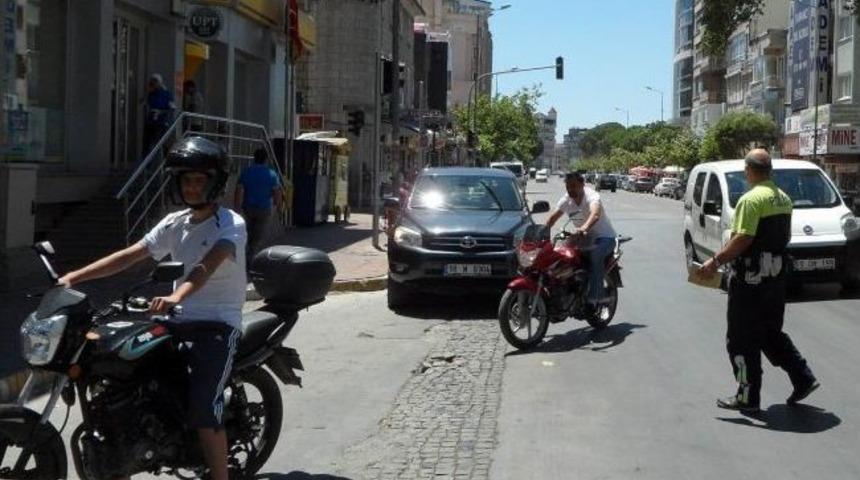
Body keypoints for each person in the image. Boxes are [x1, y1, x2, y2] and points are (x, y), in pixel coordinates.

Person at [58, 136, 245, 480]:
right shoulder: (175, 223)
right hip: (175, 321)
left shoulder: (230, 224)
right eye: (186, 181)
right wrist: (75, 276)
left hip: (216, 325)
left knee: (205, 408)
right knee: (126, 373)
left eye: (198, 181)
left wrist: (177, 296)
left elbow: (209, 263)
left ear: (214, 183)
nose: (191, 188)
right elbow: (131, 255)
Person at [698, 148, 818, 412]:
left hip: (750, 283)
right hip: (775, 281)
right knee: (769, 333)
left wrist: (715, 261)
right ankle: (803, 376)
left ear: (749, 171)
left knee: (740, 340)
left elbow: (743, 238)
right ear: (770, 171)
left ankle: (747, 396)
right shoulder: (783, 198)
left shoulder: (751, 200)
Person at [546, 171, 618, 308]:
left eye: (573, 186)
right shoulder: (566, 200)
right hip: (582, 237)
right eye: (568, 186)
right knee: (559, 254)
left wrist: (584, 227)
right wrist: (542, 233)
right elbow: (552, 219)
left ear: (582, 184)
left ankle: (596, 296)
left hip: (604, 238)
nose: (570, 189)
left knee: (595, 255)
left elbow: (595, 214)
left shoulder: (592, 196)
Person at [234, 149, 283, 257]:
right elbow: (277, 193)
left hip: (248, 208)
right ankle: (251, 261)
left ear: (254, 158)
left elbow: (239, 191)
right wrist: (279, 208)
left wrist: (237, 209)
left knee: (248, 233)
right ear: (266, 159)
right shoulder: (271, 174)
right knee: (258, 237)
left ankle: (246, 257)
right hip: (264, 209)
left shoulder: (246, 172)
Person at [143, 74, 176, 156]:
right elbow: (145, 103)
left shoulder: (166, 94)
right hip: (150, 121)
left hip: (161, 122)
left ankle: (162, 163)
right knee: (147, 143)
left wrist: (161, 112)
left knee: (161, 143)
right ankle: (147, 163)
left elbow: (172, 108)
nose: (153, 84)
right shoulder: (151, 93)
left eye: (155, 82)